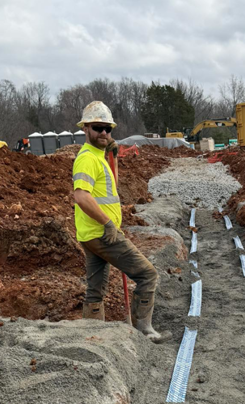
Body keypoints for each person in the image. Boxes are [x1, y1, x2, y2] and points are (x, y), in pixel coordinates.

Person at [72, 101, 171, 343]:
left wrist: (108, 151)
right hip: (102, 234)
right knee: (147, 275)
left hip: (91, 234)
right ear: (86, 128)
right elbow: (81, 196)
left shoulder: (98, 155)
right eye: (98, 128)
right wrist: (107, 223)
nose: (104, 133)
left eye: (108, 129)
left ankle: (92, 335)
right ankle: (144, 330)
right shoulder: (87, 159)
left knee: (96, 289)